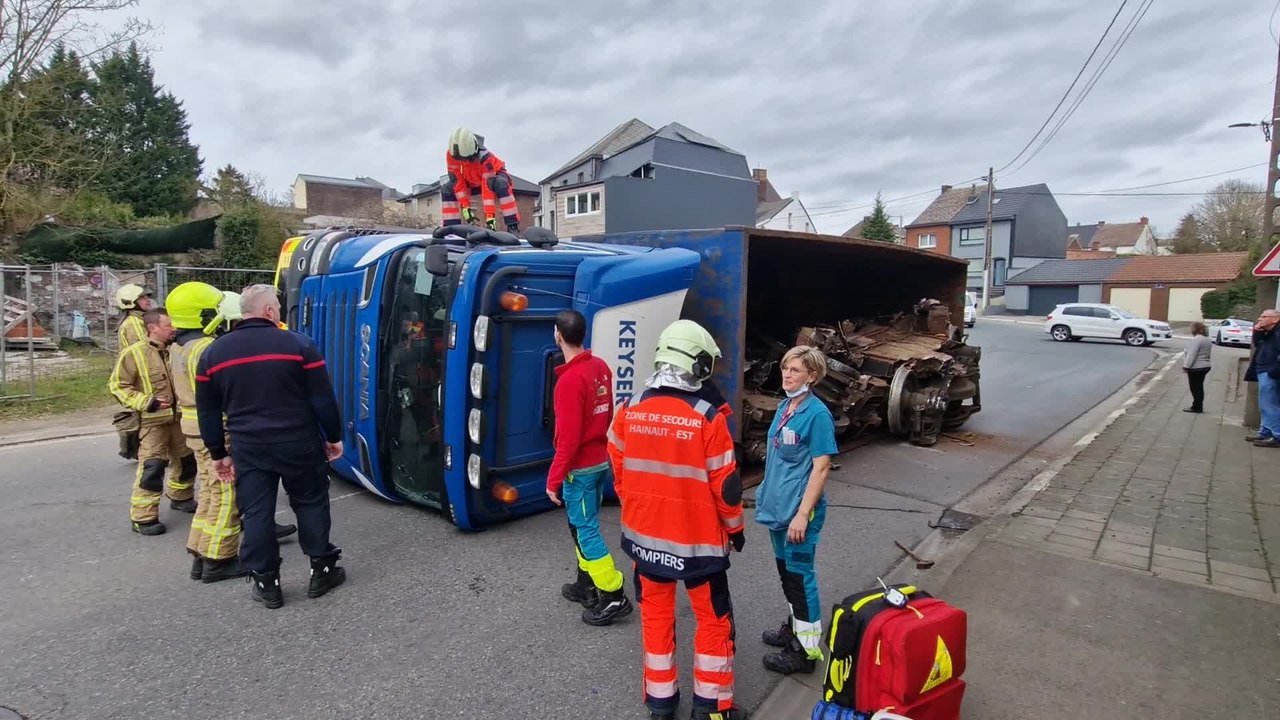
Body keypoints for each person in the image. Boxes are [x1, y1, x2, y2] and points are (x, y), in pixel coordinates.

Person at [608, 319, 749, 720]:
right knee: (714, 622)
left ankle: (661, 704)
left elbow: (619, 472)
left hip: (644, 542)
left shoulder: (628, 408)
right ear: (698, 363)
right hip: (697, 545)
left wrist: (641, 509)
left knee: (655, 619)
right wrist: (735, 531)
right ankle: (711, 708)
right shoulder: (707, 417)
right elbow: (726, 490)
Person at [195, 284, 346, 609]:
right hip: (299, 442)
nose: (278, 311)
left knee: (256, 512)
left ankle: (267, 583)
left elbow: (207, 412)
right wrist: (333, 437)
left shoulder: (213, 354)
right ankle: (322, 569)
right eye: (276, 306)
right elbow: (322, 399)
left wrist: (218, 453)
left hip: (249, 447)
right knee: (310, 502)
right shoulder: (298, 345)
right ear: (268, 311)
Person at [168, 283, 298, 583]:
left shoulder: (180, 346)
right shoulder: (205, 348)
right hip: (215, 430)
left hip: (193, 430)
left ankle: (201, 553)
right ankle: (219, 560)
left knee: (210, 493)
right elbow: (221, 394)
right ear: (204, 314)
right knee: (227, 496)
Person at [753, 346, 837, 675]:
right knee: (787, 574)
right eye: (785, 368)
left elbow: (821, 467)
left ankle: (805, 652)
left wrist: (803, 515)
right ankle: (795, 628)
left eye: (796, 370)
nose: (787, 375)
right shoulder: (786, 406)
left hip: (799, 513)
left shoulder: (817, 415)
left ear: (811, 376)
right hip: (778, 509)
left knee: (800, 578)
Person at [546, 309, 632, 626]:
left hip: (579, 470)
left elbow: (568, 440)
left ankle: (613, 594)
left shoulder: (569, 381)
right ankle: (586, 585)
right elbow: (606, 415)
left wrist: (553, 479)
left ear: (558, 335)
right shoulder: (600, 368)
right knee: (582, 525)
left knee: (585, 531)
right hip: (598, 463)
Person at [107, 307, 197, 535]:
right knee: (152, 468)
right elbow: (117, 386)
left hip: (179, 420)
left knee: (187, 461)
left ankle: (181, 496)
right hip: (152, 423)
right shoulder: (134, 353)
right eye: (168, 325)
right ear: (152, 328)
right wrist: (146, 402)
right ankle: (143, 517)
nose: (174, 328)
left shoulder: (177, 350)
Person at [443, 127, 521, 233]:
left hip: (494, 176)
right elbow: (457, 181)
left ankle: (512, 225)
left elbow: (487, 188)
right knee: (447, 189)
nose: (465, 162)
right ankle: (451, 229)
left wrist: (490, 218)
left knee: (501, 183)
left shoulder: (485, 158)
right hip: (472, 180)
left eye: (467, 159)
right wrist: (465, 207)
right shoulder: (452, 155)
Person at [112, 283, 156, 460]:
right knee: (147, 414)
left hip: (137, 374)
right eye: (142, 298)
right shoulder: (134, 324)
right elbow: (145, 352)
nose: (148, 300)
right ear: (131, 302)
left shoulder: (138, 320)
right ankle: (145, 450)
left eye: (147, 297)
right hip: (141, 376)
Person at [1245, 309, 1280, 447]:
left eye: (1264, 316)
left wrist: (1273, 371)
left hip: (1270, 372)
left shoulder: (1277, 333)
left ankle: (1277, 435)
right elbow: (1258, 344)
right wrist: (1257, 331)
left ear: (1275, 319)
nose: (1260, 319)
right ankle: (1265, 432)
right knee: (1264, 404)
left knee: (1270, 404)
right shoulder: (1269, 332)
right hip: (1263, 370)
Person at [1183, 322, 1212, 414]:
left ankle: (1197, 406)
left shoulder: (1197, 339)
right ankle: (1198, 405)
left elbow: (1192, 354)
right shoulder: (1207, 339)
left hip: (1196, 367)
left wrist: (1186, 366)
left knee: (1195, 388)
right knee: (1199, 386)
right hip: (1205, 366)